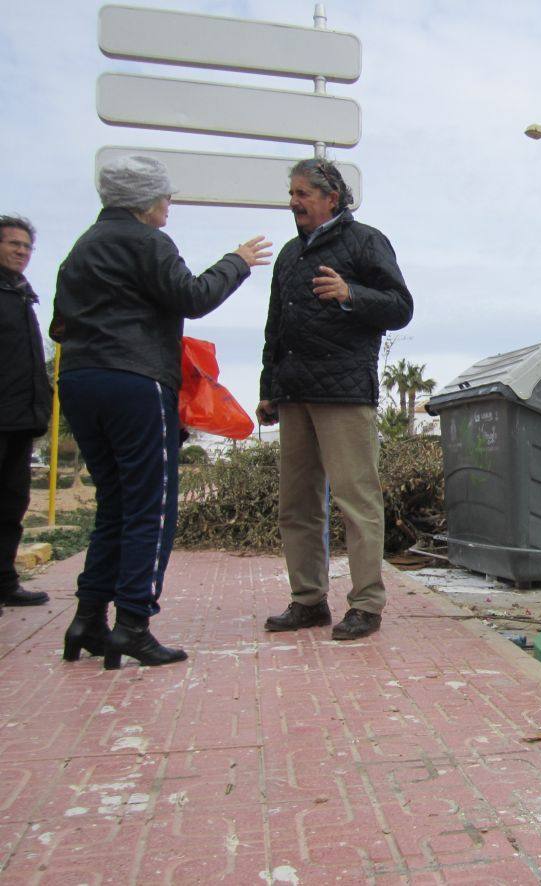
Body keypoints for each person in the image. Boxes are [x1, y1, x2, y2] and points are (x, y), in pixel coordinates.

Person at [51, 156, 272, 667]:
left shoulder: (80, 249)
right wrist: (236, 261)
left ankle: (88, 620)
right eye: (166, 196)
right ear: (145, 200)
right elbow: (193, 296)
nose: (169, 204)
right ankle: (132, 624)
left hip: (80, 381)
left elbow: (58, 326)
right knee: (153, 504)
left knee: (115, 504)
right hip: (135, 382)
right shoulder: (148, 242)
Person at [258, 159, 412, 641]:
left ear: (332, 198)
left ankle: (366, 604)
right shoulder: (288, 255)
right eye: (293, 192)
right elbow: (274, 328)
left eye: (303, 193)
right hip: (294, 393)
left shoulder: (366, 241)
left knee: (356, 500)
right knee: (297, 503)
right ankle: (307, 601)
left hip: (344, 392)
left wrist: (350, 294)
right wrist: (269, 388)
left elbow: (400, 307)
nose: (294, 201)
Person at [0, 215, 52, 612]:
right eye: (13, 244)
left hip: (19, 418)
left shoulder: (20, 294)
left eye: (26, 246)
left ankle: (5, 582)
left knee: (12, 503)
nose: (21, 251)